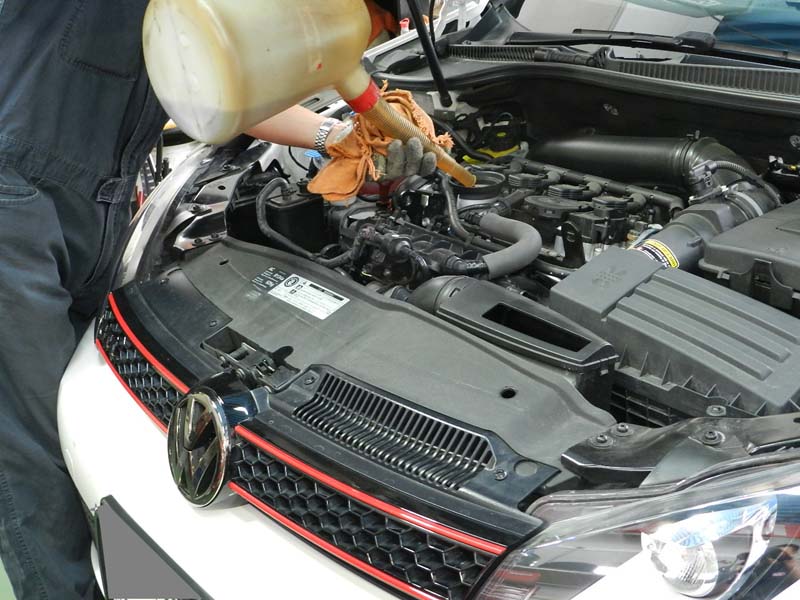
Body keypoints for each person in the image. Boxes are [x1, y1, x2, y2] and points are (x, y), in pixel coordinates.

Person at [0, 2, 429, 599]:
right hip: (12, 206)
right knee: (29, 446)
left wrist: (333, 135)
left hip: (95, 208)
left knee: (70, 409)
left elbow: (224, 87)